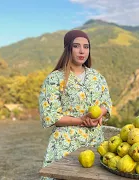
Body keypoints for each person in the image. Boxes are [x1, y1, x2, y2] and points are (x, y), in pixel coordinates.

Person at [38, 30, 112, 179]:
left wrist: (101, 114)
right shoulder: (54, 79)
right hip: (65, 142)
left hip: (95, 140)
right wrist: (82, 120)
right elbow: (50, 115)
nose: (82, 51)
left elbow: (106, 103)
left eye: (86, 46)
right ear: (68, 49)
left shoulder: (97, 77)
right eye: (76, 46)